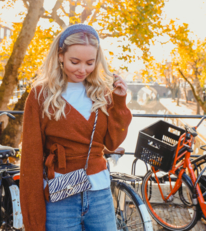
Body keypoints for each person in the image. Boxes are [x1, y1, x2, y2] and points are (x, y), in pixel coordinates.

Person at [20, 24, 132, 231]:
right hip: (60, 197)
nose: (82, 69)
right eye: (75, 61)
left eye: (90, 63)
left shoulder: (103, 93)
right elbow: (30, 159)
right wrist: (33, 218)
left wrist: (119, 102)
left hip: (100, 194)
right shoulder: (39, 96)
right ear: (60, 55)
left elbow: (112, 142)